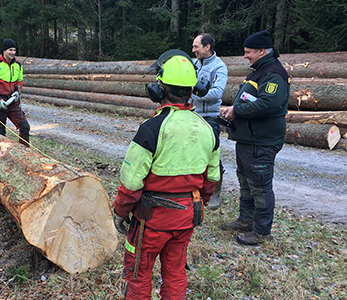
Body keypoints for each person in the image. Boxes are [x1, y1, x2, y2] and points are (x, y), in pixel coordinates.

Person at [112, 50, 221, 300]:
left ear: (159, 90)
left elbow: (130, 182)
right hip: (187, 216)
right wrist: (197, 200)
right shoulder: (207, 129)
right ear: (193, 90)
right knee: (175, 272)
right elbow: (212, 179)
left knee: (138, 273)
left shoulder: (152, 129)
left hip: (152, 218)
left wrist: (120, 212)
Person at [221, 30, 291, 246]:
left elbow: (269, 104)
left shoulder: (273, 74)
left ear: (262, 51)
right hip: (248, 140)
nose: (245, 56)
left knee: (260, 186)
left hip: (262, 141)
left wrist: (237, 111)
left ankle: (261, 231)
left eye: (248, 52)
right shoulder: (260, 71)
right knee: (246, 181)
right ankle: (246, 220)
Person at [190, 33, 228, 210]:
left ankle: (215, 194)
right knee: (192, 153)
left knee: (212, 155)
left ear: (207, 47)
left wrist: (192, 93)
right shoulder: (193, 64)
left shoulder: (219, 67)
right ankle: (193, 189)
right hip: (193, 115)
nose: (193, 50)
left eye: (196, 46)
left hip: (210, 118)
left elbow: (217, 92)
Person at [0, 38, 30, 146]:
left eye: (14, 50)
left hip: (13, 101)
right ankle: (1, 154)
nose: (12, 53)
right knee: (0, 132)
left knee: (24, 127)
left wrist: (18, 92)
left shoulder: (18, 65)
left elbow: (19, 81)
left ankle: (24, 152)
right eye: (10, 50)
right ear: (4, 50)